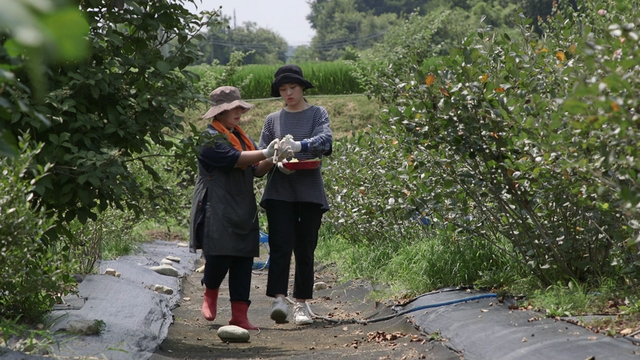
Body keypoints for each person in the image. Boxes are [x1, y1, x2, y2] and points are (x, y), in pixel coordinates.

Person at [189, 86, 290, 330]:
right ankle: (210, 291)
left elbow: (255, 170)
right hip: (217, 204)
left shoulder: (243, 137)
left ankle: (240, 315)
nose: (238, 112)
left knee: (244, 259)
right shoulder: (209, 137)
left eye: (239, 107)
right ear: (219, 113)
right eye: (232, 108)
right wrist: (265, 152)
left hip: (243, 205)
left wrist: (274, 158)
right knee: (219, 253)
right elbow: (233, 159)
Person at [258, 65, 333, 325]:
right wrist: (273, 157)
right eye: (283, 89)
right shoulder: (273, 120)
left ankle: (301, 303)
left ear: (302, 88)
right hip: (279, 191)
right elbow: (258, 165)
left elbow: (326, 141)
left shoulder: (317, 113)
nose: (288, 93)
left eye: (293, 88)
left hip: (309, 191)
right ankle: (279, 300)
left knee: (305, 248)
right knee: (280, 246)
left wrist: (299, 146)